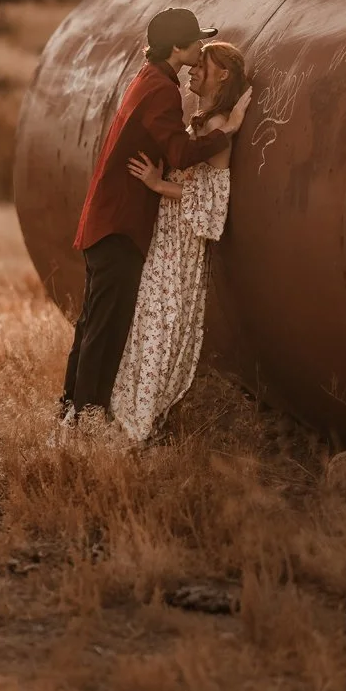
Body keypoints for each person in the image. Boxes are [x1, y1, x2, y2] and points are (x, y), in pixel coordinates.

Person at [60, 8, 250, 422]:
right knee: (105, 331)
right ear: (177, 48)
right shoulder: (162, 90)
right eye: (196, 42)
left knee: (92, 323)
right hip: (121, 226)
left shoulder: (148, 79)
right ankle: (87, 417)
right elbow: (180, 153)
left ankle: (70, 412)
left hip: (105, 220)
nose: (200, 50)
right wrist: (229, 129)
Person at [110, 41, 251, 443]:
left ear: (222, 75)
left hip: (182, 243)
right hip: (168, 234)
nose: (193, 70)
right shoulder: (205, 120)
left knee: (162, 323)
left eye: (202, 66)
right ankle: (131, 416)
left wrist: (157, 184)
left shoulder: (217, 123)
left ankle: (139, 423)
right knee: (150, 321)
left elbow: (212, 203)